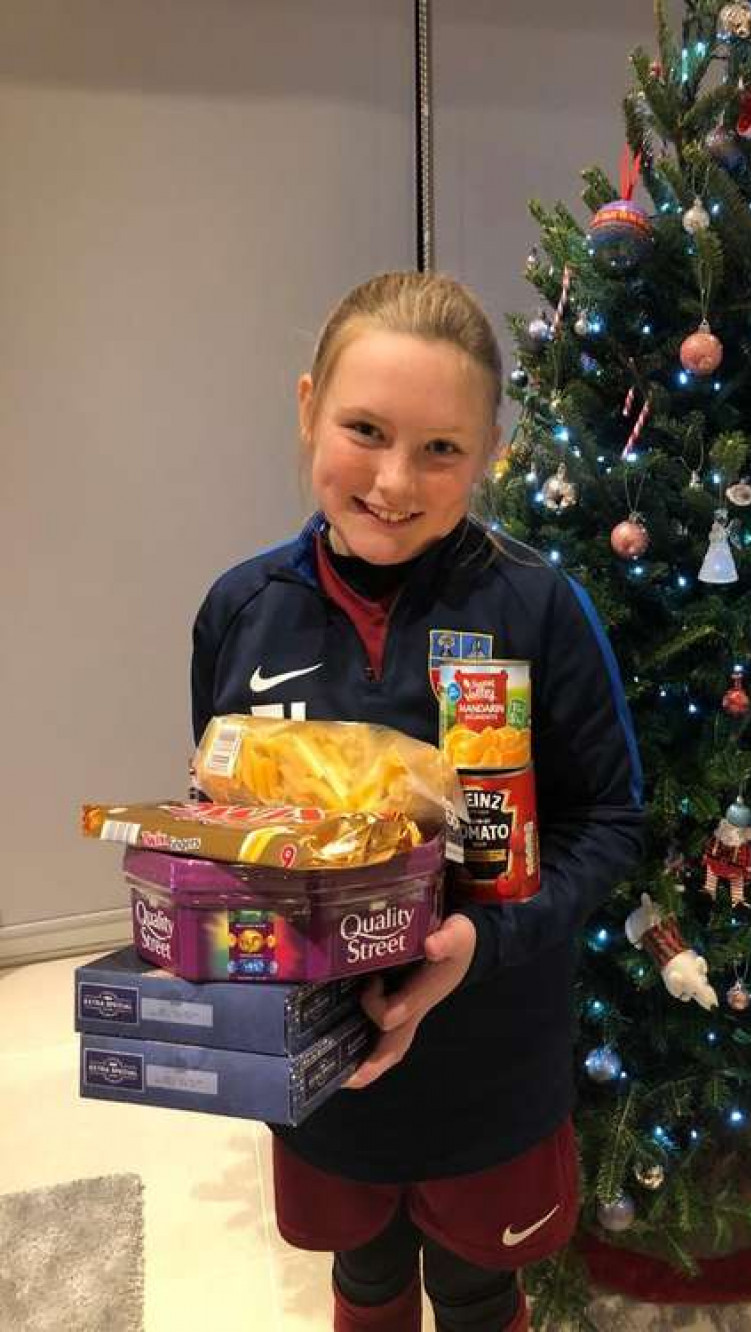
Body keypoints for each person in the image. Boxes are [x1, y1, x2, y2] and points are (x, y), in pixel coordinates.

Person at [190, 271, 645, 1331]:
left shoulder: (538, 607)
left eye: (442, 448)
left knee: (481, 1289)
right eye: (363, 429)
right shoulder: (240, 611)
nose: (394, 480)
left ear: (490, 453)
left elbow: (608, 821)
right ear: (308, 408)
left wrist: (479, 946)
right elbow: (216, 812)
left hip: (489, 1063)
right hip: (319, 1062)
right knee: (362, 1274)